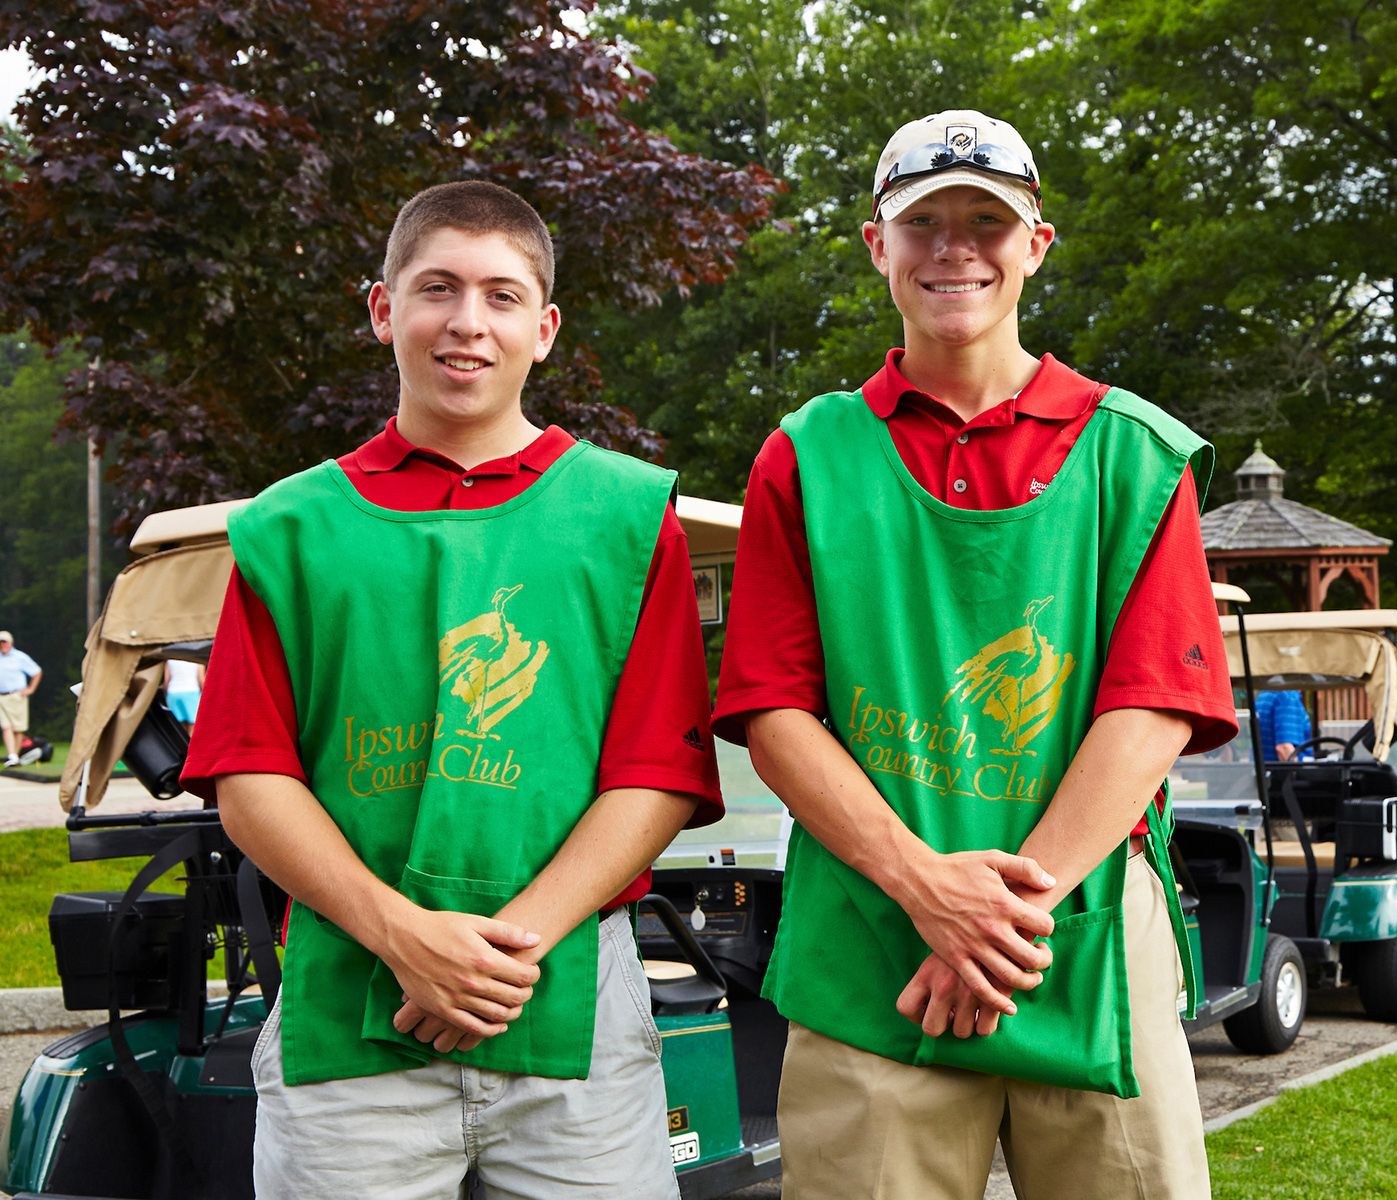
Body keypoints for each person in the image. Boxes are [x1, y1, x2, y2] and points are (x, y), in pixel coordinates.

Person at [714, 110, 1235, 1199]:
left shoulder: (1133, 455)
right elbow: (772, 711)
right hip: (870, 933)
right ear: (878, 246)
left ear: (1035, 244)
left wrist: (994, 918)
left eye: (986, 222)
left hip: (1083, 926)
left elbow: (1152, 707)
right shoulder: (805, 457)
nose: (955, 249)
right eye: (924, 224)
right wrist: (925, 888)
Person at [180, 181, 722, 1200]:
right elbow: (250, 776)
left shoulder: (625, 515)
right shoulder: (290, 529)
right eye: (437, 288)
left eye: (501, 295)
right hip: (349, 1015)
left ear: (544, 329)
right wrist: (404, 937)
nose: (468, 321)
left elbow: (657, 771)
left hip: (575, 1009)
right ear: (383, 309)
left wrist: (500, 956)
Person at [0, 631, 41, 767]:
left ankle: (15, 758)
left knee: (18, 729)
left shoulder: (19, 657)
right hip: (1, 697)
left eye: (4, 642)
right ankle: (12, 755)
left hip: (17, 697)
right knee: (6, 727)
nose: (2, 645)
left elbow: (36, 671)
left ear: (11, 643)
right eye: (0, 642)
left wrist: (30, 689)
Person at [1255, 687, 1312, 762]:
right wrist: (1296, 769)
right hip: (1283, 768)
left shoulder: (1265, 693)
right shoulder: (1288, 697)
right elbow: (1284, 748)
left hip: (1267, 765)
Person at [165, 657, 204, 737]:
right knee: (193, 725)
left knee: (179, 725)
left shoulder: (171, 658)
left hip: (173, 692)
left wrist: (166, 695)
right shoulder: (198, 659)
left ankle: (181, 743)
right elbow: (201, 680)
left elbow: (166, 681)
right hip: (191, 692)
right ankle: (189, 744)